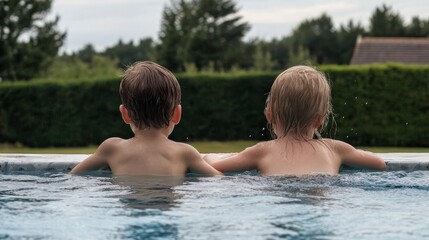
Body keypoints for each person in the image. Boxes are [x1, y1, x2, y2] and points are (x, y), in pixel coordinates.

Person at [205, 65, 386, 176]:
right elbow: (379, 164)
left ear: (270, 115)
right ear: (319, 120)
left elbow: (214, 167)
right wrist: (357, 151)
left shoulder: (261, 151)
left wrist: (208, 156)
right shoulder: (335, 149)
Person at [71, 61, 222, 176]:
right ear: (177, 114)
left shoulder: (111, 149)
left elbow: (74, 175)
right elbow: (219, 179)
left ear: (125, 114)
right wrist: (209, 160)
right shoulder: (185, 153)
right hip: (167, 215)